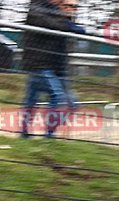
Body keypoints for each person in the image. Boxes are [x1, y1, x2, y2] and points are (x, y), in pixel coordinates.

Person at [20, 0, 85, 138]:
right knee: (57, 97)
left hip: (57, 67)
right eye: (68, 6)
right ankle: (48, 135)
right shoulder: (38, 8)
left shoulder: (60, 15)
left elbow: (74, 30)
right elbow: (51, 24)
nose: (72, 9)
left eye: (74, 7)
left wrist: (69, 23)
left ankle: (28, 132)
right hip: (39, 64)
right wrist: (68, 24)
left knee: (70, 104)